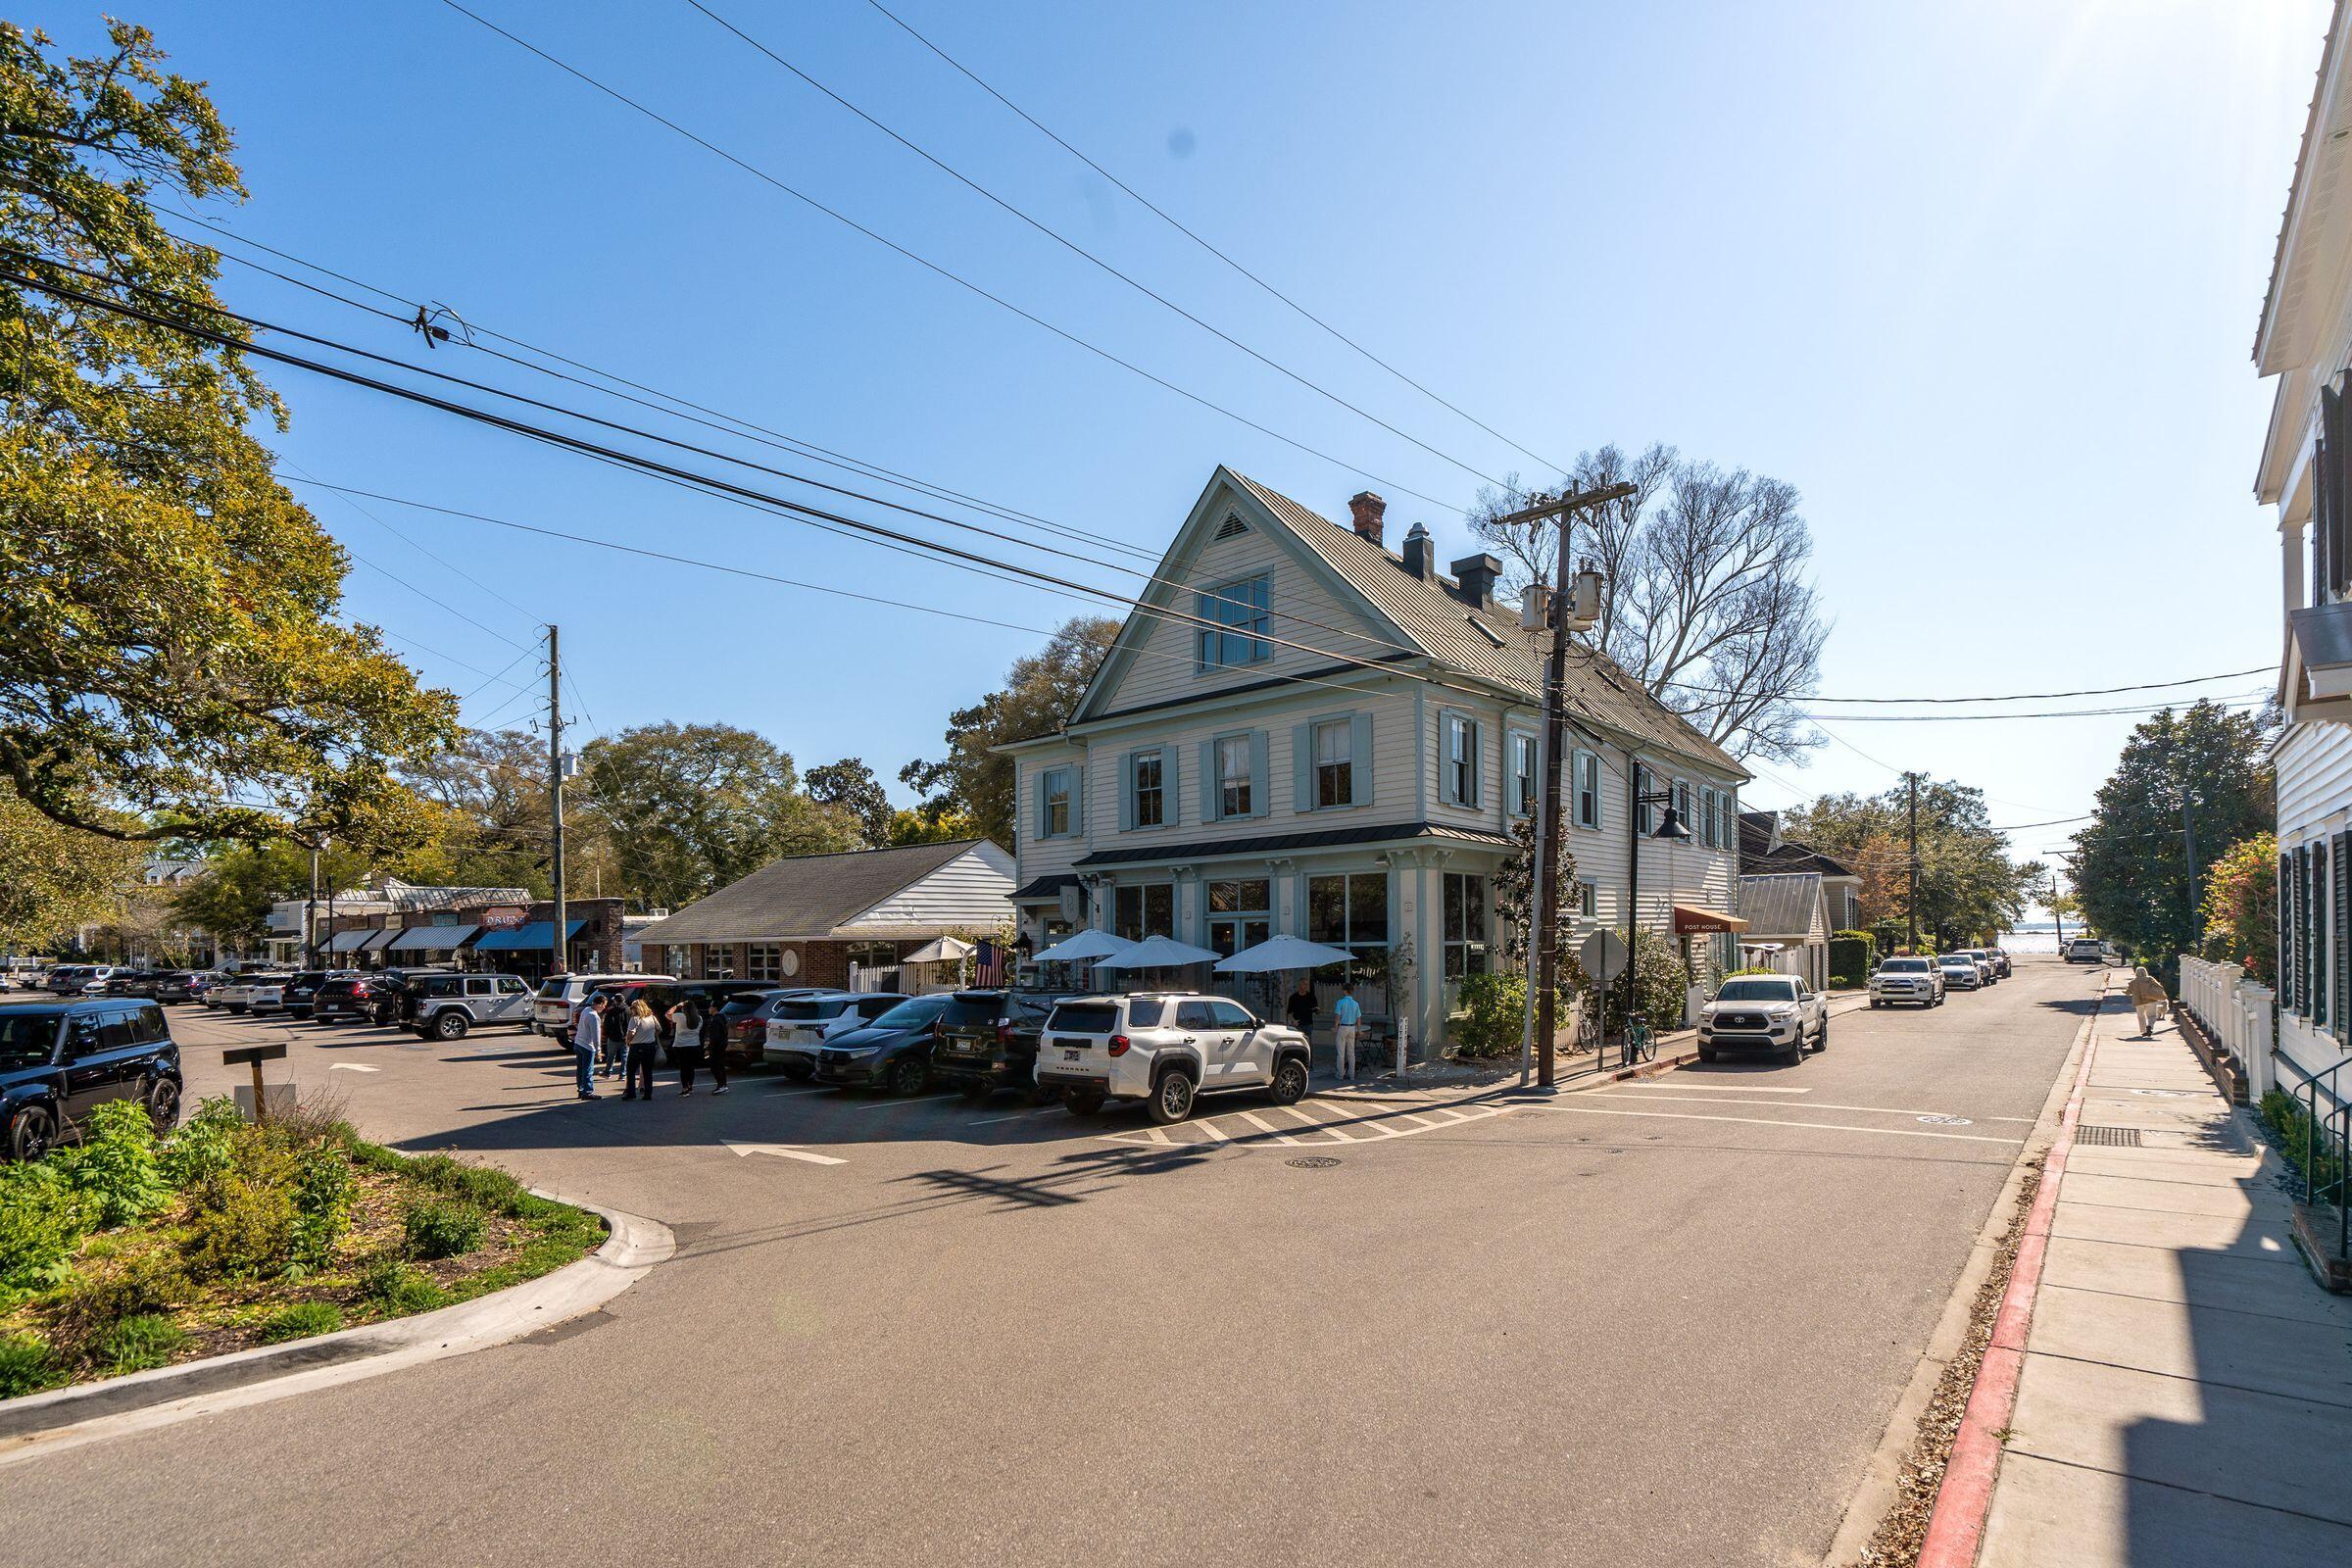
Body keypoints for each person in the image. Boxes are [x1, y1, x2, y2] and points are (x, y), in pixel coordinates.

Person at [622, 997, 660, 1101]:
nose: (631, 1009)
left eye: (632, 1007)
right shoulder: (651, 1017)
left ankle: (631, 1093)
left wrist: (628, 1041)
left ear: (636, 1008)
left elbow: (631, 1032)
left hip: (637, 1046)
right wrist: (650, 1035)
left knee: (631, 1070)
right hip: (650, 1045)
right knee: (647, 1071)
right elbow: (659, 1029)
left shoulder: (635, 1019)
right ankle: (648, 1094)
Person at [569, 992, 601, 1100]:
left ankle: (581, 1089)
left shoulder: (585, 1010)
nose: (604, 1008)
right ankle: (588, 1092)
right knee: (588, 1069)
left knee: (580, 1068)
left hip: (578, 1042)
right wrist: (598, 1050)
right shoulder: (594, 1016)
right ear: (599, 1004)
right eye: (604, 1005)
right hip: (588, 1045)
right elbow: (596, 1035)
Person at [2125, 965, 2169, 1037]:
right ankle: (2150, 1027)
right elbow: (2159, 986)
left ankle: (2143, 1031)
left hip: (2138, 1001)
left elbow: (2128, 992)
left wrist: (2126, 992)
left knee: (2140, 1016)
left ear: (2136, 973)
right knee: (2152, 1016)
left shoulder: (2134, 981)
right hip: (2150, 1000)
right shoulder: (2150, 979)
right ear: (2145, 972)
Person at [698, 999, 730, 1095]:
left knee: (715, 1066)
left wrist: (709, 1048)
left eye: (710, 1007)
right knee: (720, 1066)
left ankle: (721, 1085)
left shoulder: (715, 1020)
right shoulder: (722, 1018)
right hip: (722, 1045)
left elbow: (714, 1037)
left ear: (714, 1008)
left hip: (717, 1046)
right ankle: (723, 1085)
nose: (709, 1009)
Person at [1332, 983, 1362, 1081]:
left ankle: (1340, 1074)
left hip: (1343, 1027)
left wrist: (1335, 1027)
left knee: (1341, 1053)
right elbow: (1358, 1018)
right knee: (1351, 1052)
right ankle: (1352, 1075)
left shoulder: (1340, 1002)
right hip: (1352, 1028)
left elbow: (1338, 1017)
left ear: (1345, 991)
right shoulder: (1356, 1004)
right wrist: (1359, 1029)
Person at [600, 993, 627, 1079]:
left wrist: (606, 1034)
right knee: (624, 1056)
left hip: (613, 1037)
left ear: (615, 1001)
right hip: (626, 1037)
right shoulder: (629, 1010)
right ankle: (622, 1074)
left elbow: (607, 1024)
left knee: (611, 1055)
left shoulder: (610, 1011)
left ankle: (608, 1072)